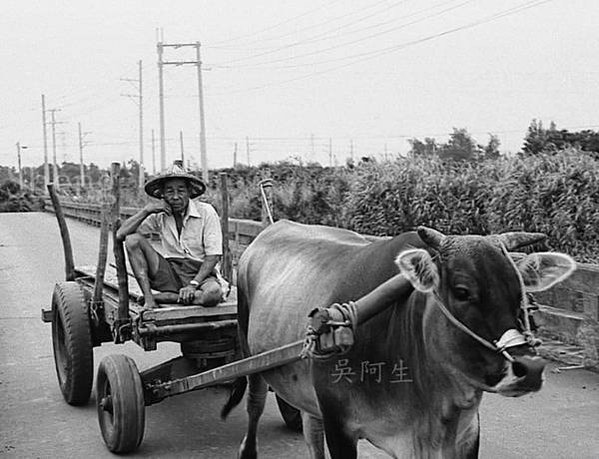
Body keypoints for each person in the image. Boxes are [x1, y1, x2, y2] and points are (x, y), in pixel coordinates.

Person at [116, 162, 223, 309]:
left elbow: (213, 256)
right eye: (170, 191)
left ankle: (171, 297)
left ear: (189, 192)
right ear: (162, 195)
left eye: (181, 191)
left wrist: (193, 285)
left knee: (213, 294)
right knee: (132, 240)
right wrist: (146, 211)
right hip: (170, 272)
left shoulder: (206, 212)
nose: (175, 197)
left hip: (200, 275)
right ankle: (149, 299)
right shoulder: (159, 214)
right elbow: (121, 234)